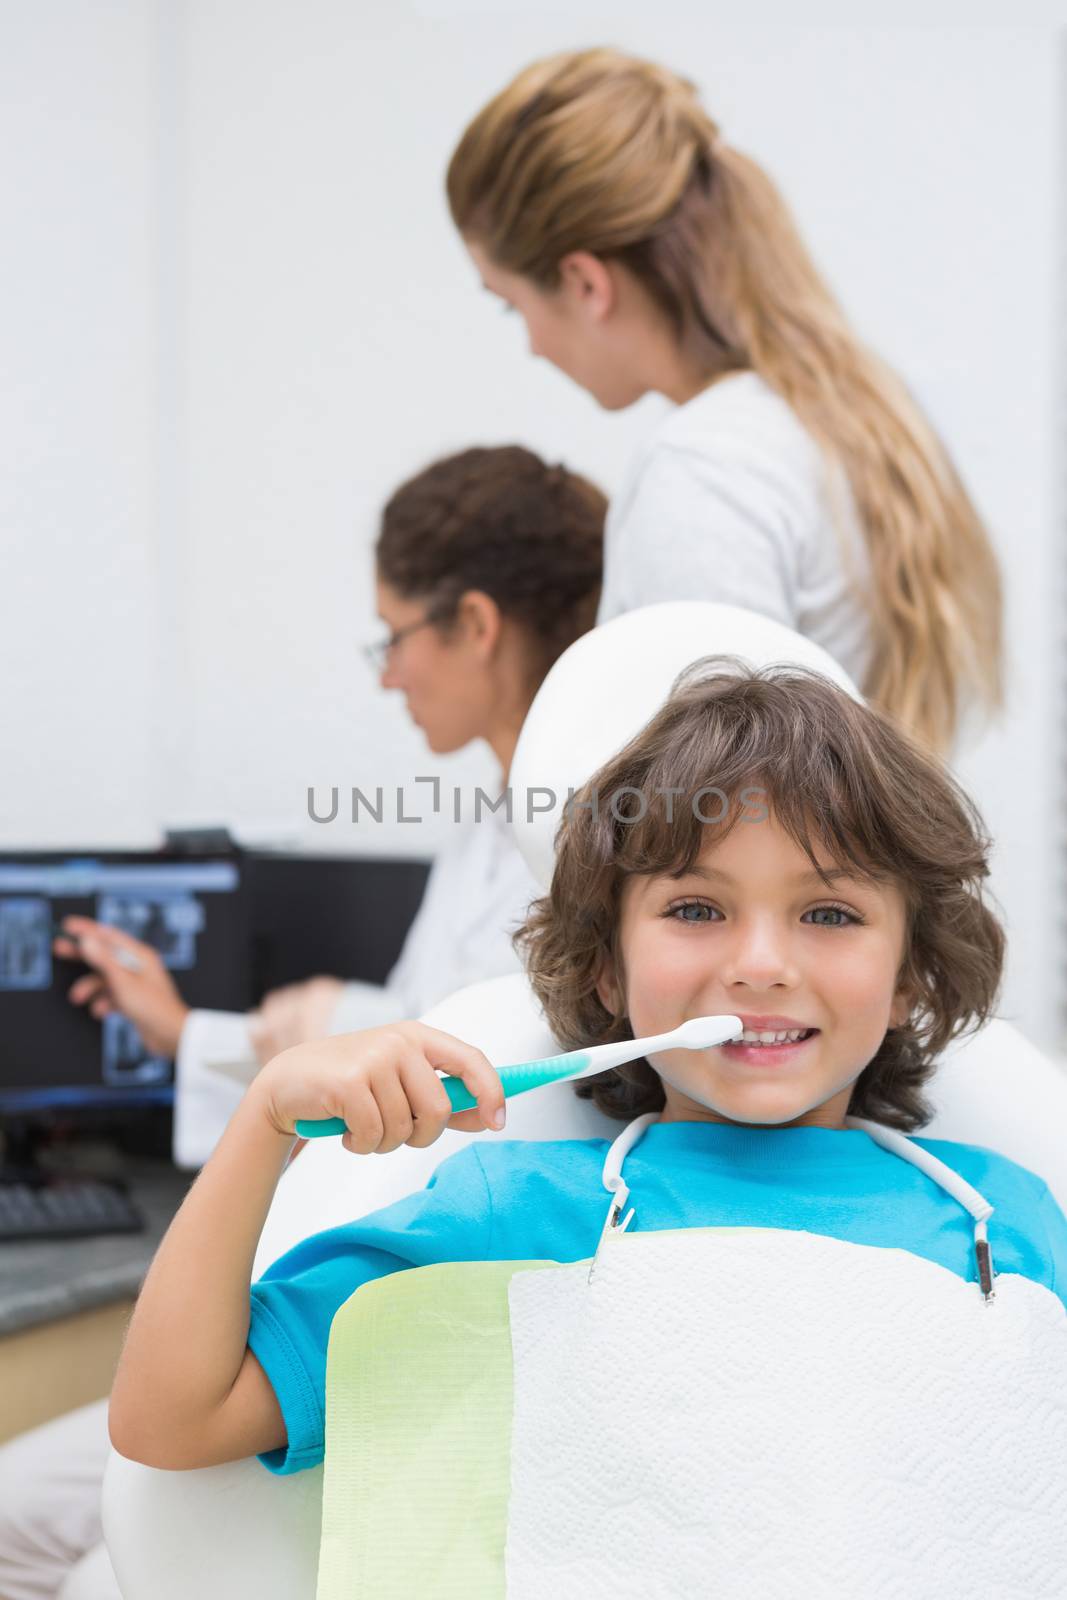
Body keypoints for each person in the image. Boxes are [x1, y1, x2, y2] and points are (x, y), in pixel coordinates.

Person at [106, 663, 1067, 1591]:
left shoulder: (1008, 1216)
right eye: (696, 908)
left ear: (909, 975)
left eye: (828, 911)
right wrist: (264, 1119)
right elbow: (172, 1421)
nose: (763, 962)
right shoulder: (510, 1209)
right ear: (606, 968)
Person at [0, 443, 605, 1600]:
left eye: (394, 639)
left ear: (473, 623)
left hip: (416, 1295)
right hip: (324, 1287)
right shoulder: (490, 822)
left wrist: (311, 1032)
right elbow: (390, 1061)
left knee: (77, 1558)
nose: (387, 676)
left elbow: (461, 1076)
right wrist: (192, 1034)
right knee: (32, 1513)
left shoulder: (580, 840)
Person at [446, 48, 1004, 757]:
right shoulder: (835, 421)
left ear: (585, 284)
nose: (529, 345)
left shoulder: (703, 469)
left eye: (510, 306)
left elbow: (722, 822)